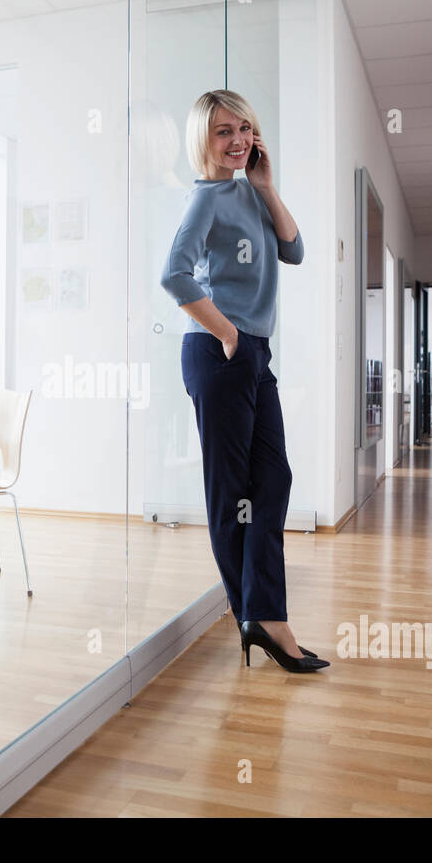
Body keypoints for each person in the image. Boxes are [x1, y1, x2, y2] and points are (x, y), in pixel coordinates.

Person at [159, 89, 327, 673]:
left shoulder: (247, 192)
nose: (237, 141)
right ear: (202, 140)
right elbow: (174, 277)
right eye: (222, 131)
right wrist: (228, 335)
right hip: (218, 350)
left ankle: (262, 613)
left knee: (272, 476)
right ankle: (258, 617)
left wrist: (266, 186)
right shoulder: (205, 199)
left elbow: (296, 250)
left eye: (245, 129)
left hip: (252, 353)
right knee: (232, 495)